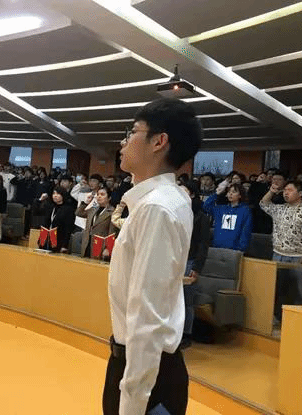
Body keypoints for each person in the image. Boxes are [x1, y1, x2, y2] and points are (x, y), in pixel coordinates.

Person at [104, 98, 202, 415]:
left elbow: (147, 316)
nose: (123, 142)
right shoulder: (161, 201)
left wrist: (132, 404)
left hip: (149, 377)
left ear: (159, 142)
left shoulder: (157, 208)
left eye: (132, 132)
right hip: (147, 367)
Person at [260, 180, 302, 322]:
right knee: (277, 290)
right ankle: (277, 319)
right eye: (285, 190)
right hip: (278, 255)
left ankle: (300, 322)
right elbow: (263, 204)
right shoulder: (279, 209)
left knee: (300, 292)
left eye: (290, 190)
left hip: (298, 257)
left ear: (300, 193)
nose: (286, 193)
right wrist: (271, 192)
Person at [179, 182, 211, 349]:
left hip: (190, 261)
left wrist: (197, 267)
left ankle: (186, 334)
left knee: (186, 300)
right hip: (176, 260)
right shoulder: (177, 212)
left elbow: (203, 245)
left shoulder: (201, 217)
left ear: (192, 194)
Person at [203, 183, 253, 252]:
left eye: (234, 192)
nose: (230, 194)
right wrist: (216, 193)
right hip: (217, 246)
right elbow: (206, 206)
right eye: (229, 192)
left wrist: (241, 248)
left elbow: (246, 230)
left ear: (240, 195)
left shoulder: (245, 210)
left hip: (234, 249)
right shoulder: (221, 209)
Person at [75, 187, 115, 260]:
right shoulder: (93, 209)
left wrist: (108, 248)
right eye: (98, 194)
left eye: (102, 194)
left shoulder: (112, 212)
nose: (99, 196)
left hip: (100, 244)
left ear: (109, 198)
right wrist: (86, 202)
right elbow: (78, 213)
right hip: (87, 242)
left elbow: (112, 233)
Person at [35, 187, 75, 253]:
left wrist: (65, 245)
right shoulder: (50, 206)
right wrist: (40, 200)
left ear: (63, 195)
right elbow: (37, 212)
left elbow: (68, 228)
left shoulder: (68, 209)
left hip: (58, 238)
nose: (55, 196)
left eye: (58, 194)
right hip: (45, 237)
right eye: (53, 193)